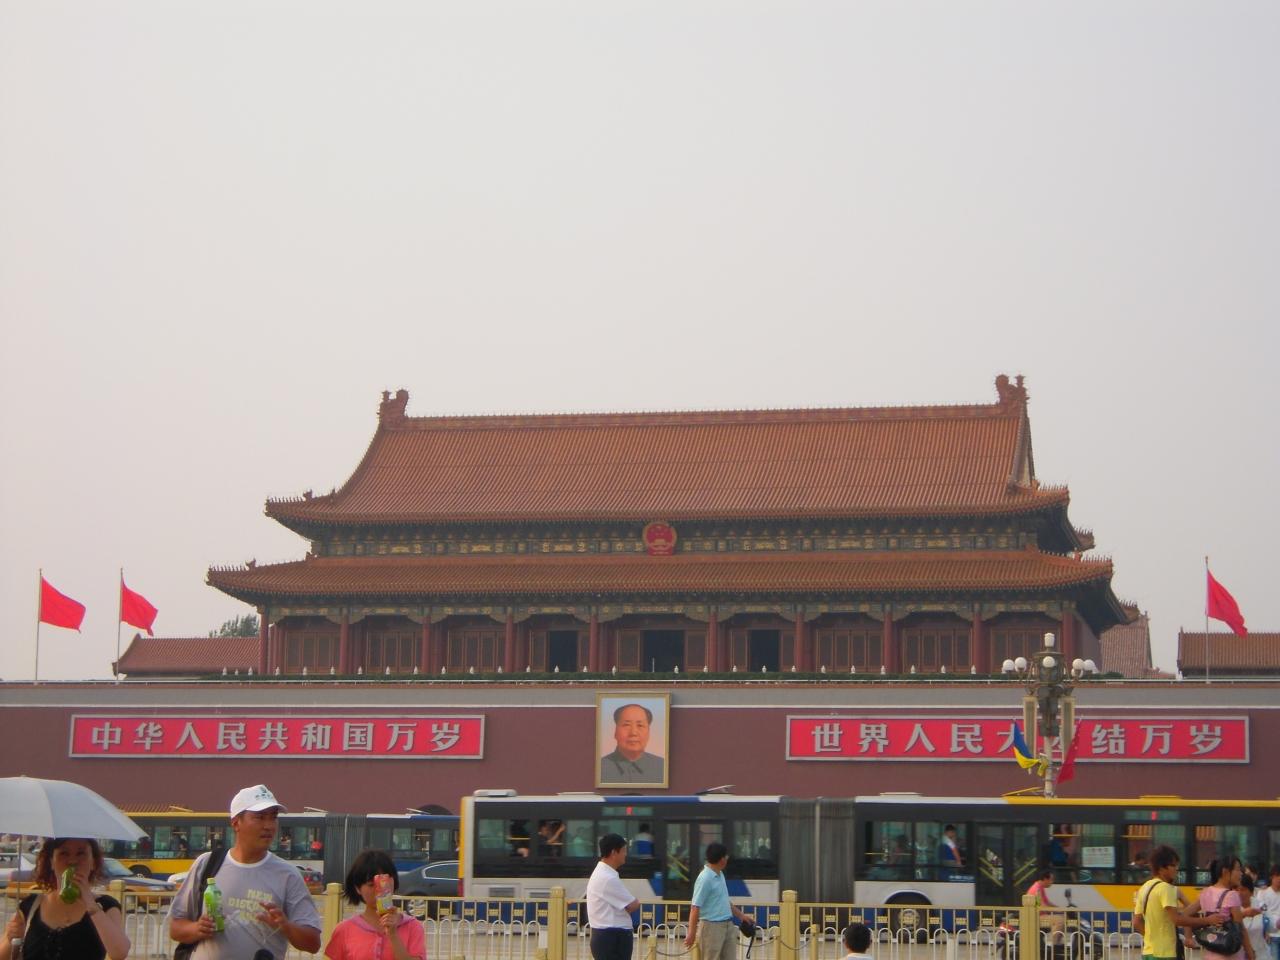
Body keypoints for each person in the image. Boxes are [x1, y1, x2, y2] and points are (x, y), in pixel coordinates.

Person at [169, 783, 322, 959]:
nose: (269, 826)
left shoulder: (288, 875)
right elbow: (175, 928)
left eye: (273, 817)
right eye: (260, 817)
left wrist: (285, 926)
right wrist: (197, 929)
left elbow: (313, 943)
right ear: (236, 823)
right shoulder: (207, 864)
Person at [0, 837, 130, 960]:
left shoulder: (105, 906)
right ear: (51, 862)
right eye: (64, 853)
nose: (72, 861)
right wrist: (11, 937)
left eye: (81, 853)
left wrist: (91, 905)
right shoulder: (31, 905)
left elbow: (119, 953)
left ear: (93, 863)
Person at [324, 849, 426, 960]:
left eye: (384, 882)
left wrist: (393, 935)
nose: (379, 890)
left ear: (393, 881)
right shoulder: (344, 930)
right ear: (358, 888)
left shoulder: (413, 927)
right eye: (371, 884)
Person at [1134, 845, 1217, 960]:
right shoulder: (1166, 888)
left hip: (1148, 952)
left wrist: (1151, 939)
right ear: (1161, 868)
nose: (1176, 869)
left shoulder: (1144, 888)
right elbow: (1177, 920)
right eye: (1173, 865)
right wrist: (1207, 920)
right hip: (1165, 954)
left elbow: (1136, 922)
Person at [683, 842, 755, 960]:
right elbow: (695, 907)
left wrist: (741, 916)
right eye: (726, 856)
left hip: (727, 925)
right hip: (711, 928)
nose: (727, 859)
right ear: (722, 860)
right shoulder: (705, 878)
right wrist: (691, 933)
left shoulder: (720, 874)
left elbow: (725, 901)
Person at [586, 833, 641, 960]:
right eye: (623, 851)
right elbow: (633, 904)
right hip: (612, 938)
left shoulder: (603, 873)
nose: (625, 854)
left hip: (607, 937)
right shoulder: (607, 878)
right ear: (613, 853)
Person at [600, 703, 665, 784]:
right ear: (615, 732)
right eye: (626, 725)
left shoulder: (663, 767)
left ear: (649, 732)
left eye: (640, 725)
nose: (633, 733)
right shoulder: (599, 768)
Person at [1199, 857, 1248, 960]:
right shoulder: (1232, 895)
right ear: (1225, 871)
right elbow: (1240, 929)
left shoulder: (1205, 892)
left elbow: (1185, 914)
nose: (1241, 873)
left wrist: (1189, 937)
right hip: (1230, 956)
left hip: (1210, 954)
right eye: (1238, 869)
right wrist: (1250, 951)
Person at [1252, 865, 1280, 960]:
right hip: (1271, 935)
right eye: (1277, 876)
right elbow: (1261, 913)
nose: (1279, 879)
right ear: (1272, 876)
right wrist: (1265, 931)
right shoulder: (1263, 893)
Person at [1240, 876, 1264, 960]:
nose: (1239, 893)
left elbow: (1270, 921)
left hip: (1260, 953)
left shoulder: (1260, 904)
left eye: (1243, 889)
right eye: (1236, 889)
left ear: (1251, 892)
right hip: (1239, 955)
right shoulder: (1231, 908)